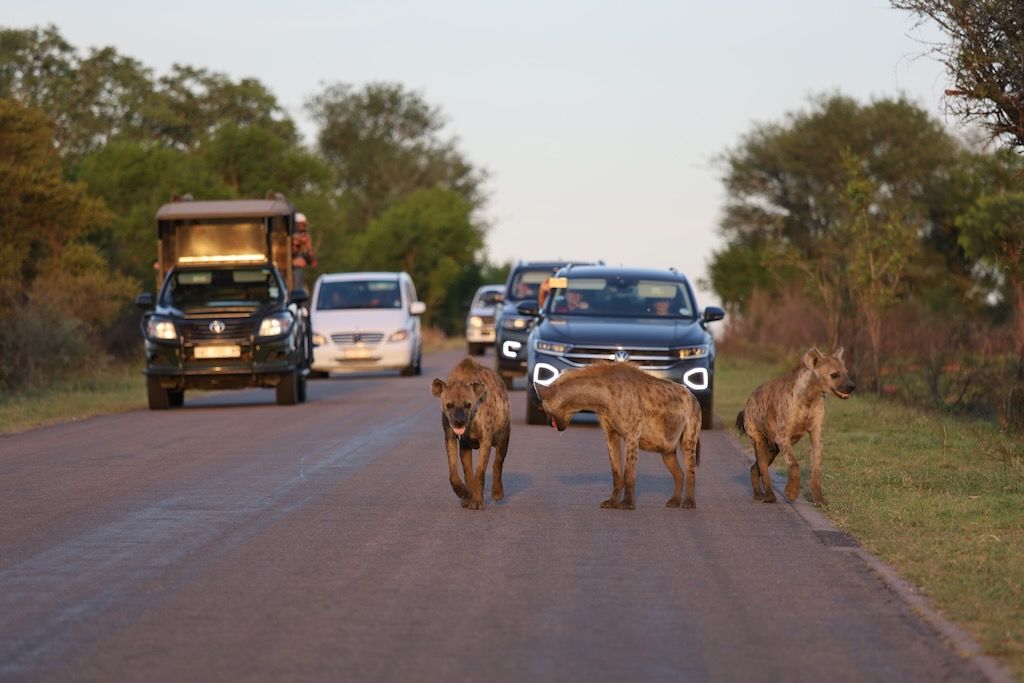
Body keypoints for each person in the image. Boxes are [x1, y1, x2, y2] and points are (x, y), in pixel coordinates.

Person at [291, 212, 318, 291]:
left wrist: (308, 248)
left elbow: (313, 263)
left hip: (300, 280)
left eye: (303, 225)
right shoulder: (287, 238)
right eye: (299, 225)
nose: (302, 228)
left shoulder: (305, 239)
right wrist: (292, 263)